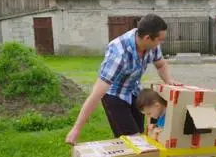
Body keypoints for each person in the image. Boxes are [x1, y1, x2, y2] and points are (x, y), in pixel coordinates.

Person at [65, 14, 179, 145]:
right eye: (160, 40)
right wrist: (76, 129)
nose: (161, 43)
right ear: (147, 38)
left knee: (141, 137)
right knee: (132, 141)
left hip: (134, 91)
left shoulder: (151, 45)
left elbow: (161, 65)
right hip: (114, 96)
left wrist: (170, 81)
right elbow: (96, 94)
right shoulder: (119, 53)